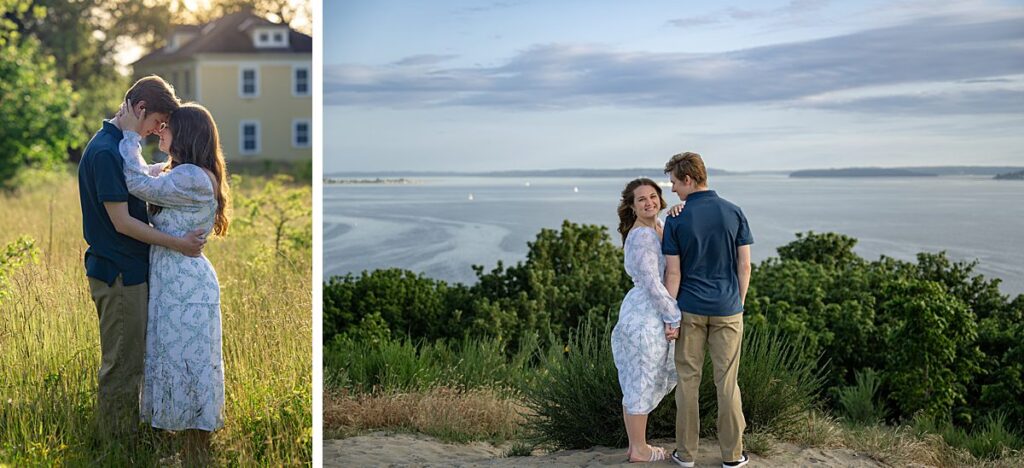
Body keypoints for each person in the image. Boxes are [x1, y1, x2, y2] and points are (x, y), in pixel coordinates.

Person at [77, 75, 205, 437]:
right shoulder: (106, 151)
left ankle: (129, 439)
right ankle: (116, 446)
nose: (155, 132)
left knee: (134, 361)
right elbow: (122, 223)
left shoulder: (122, 147)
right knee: (121, 364)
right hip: (117, 273)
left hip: (130, 271)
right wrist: (177, 242)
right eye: (156, 124)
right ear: (139, 108)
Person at [118, 100, 230, 462]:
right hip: (174, 280)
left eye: (167, 126)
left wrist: (130, 137)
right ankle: (172, 436)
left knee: (187, 360)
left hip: (186, 285)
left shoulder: (193, 177)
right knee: (169, 356)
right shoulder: (182, 173)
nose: (160, 130)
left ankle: (194, 443)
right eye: (160, 125)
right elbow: (151, 175)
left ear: (186, 133)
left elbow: (136, 182)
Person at [662, 152, 753, 468]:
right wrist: (737, 303)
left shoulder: (676, 218)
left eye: (674, 181)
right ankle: (733, 456)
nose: (672, 189)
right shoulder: (734, 212)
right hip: (728, 308)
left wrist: (669, 315)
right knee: (727, 382)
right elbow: (745, 266)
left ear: (687, 179)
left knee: (688, 381)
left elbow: (673, 274)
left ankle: (686, 455)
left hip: (689, 310)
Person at [611, 178, 682, 463]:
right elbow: (654, 283)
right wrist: (673, 316)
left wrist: (678, 212)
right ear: (631, 206)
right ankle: (639, 449)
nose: (649, 202)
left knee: (636, 379)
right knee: (640, 380)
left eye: (653, 196)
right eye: (641, 199)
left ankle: (634, 446)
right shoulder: (642, 236)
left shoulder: (657, 227)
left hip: (647, 312)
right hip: (645, 316)